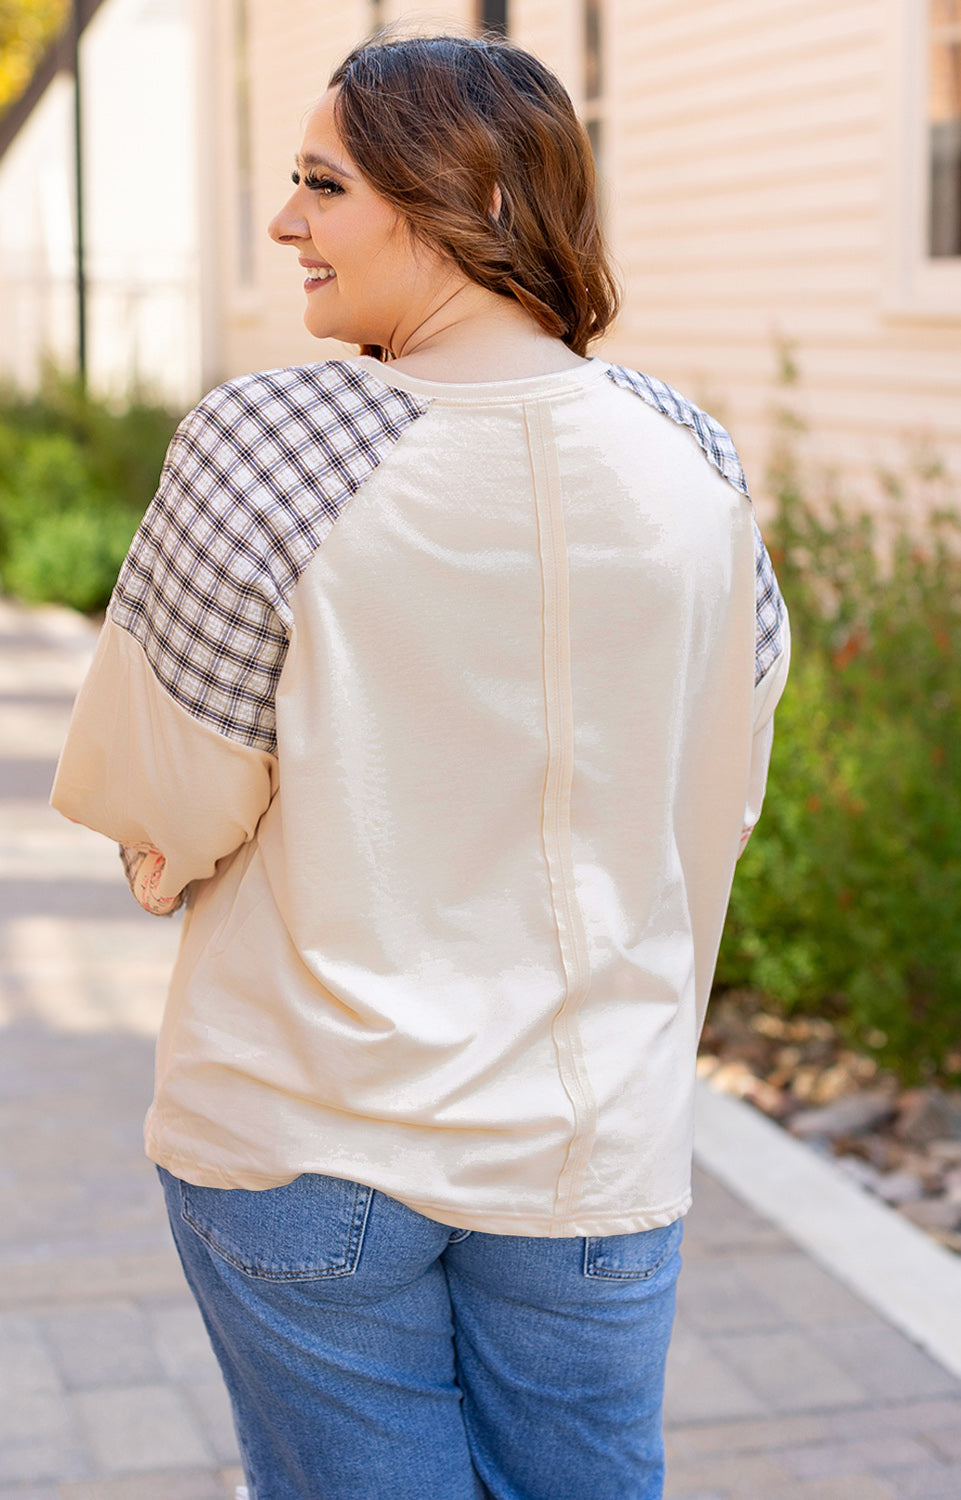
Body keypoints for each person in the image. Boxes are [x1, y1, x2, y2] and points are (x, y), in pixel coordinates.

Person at [52, 30, 789, 1500]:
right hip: (590, 1146)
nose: (285, 225)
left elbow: (165, 801)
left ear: (468, 205)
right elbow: (722, 795)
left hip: (306, 1133)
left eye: (323, 186)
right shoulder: (690, 456)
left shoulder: (268, 442)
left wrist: (165, 853)